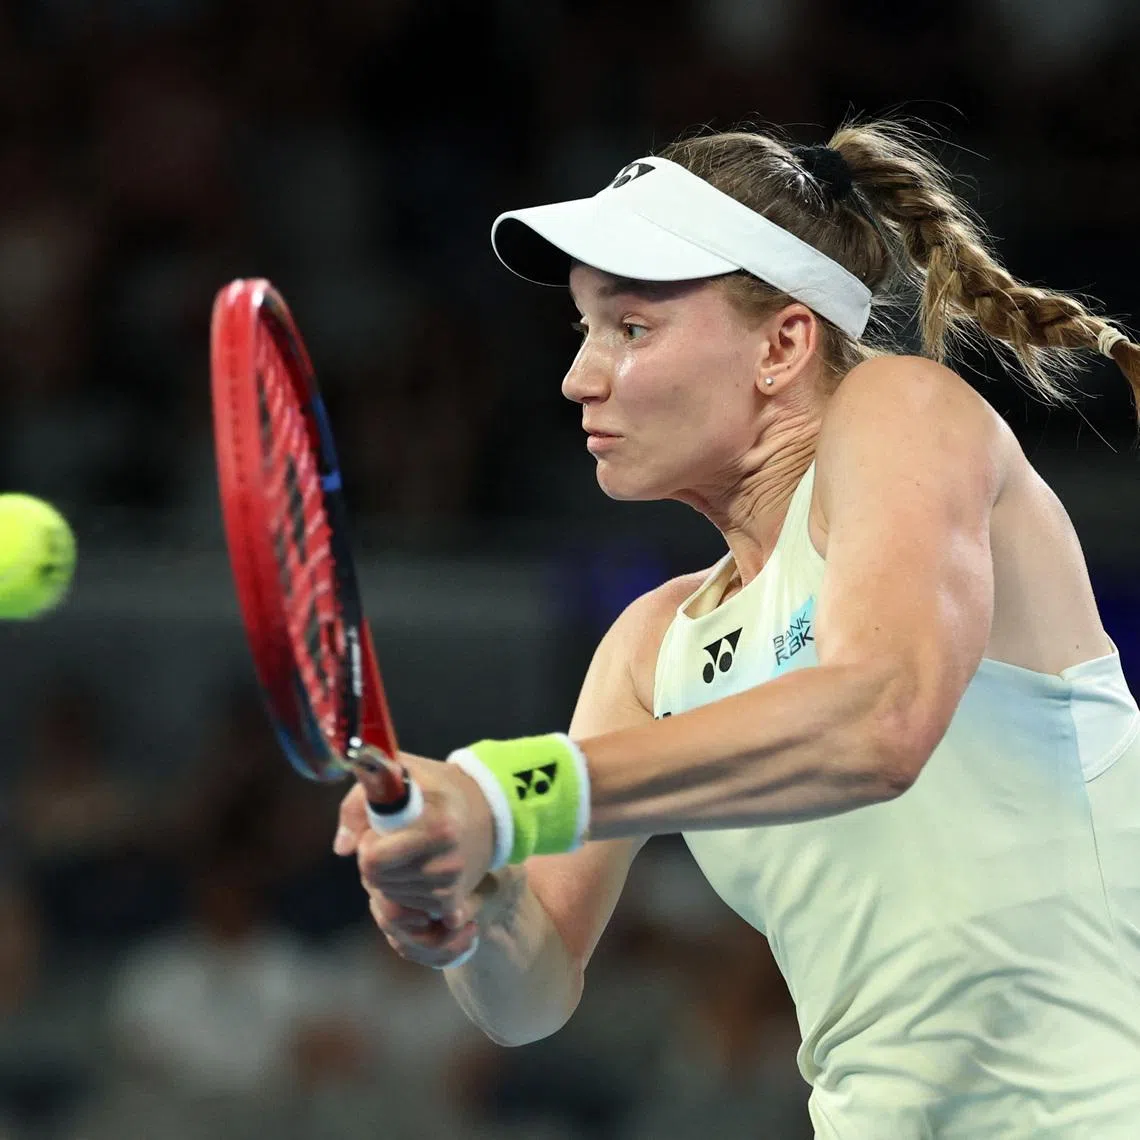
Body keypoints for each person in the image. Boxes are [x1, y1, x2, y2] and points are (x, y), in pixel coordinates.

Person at [333, 120, 1140, 1137]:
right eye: (582, 330)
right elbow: (529, 1002)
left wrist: (503, 794)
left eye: (631, 328)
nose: (581, 376)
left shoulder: (904, 408)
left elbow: (879, 719)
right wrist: (470, 903)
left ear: (784, 345)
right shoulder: (651, 644)